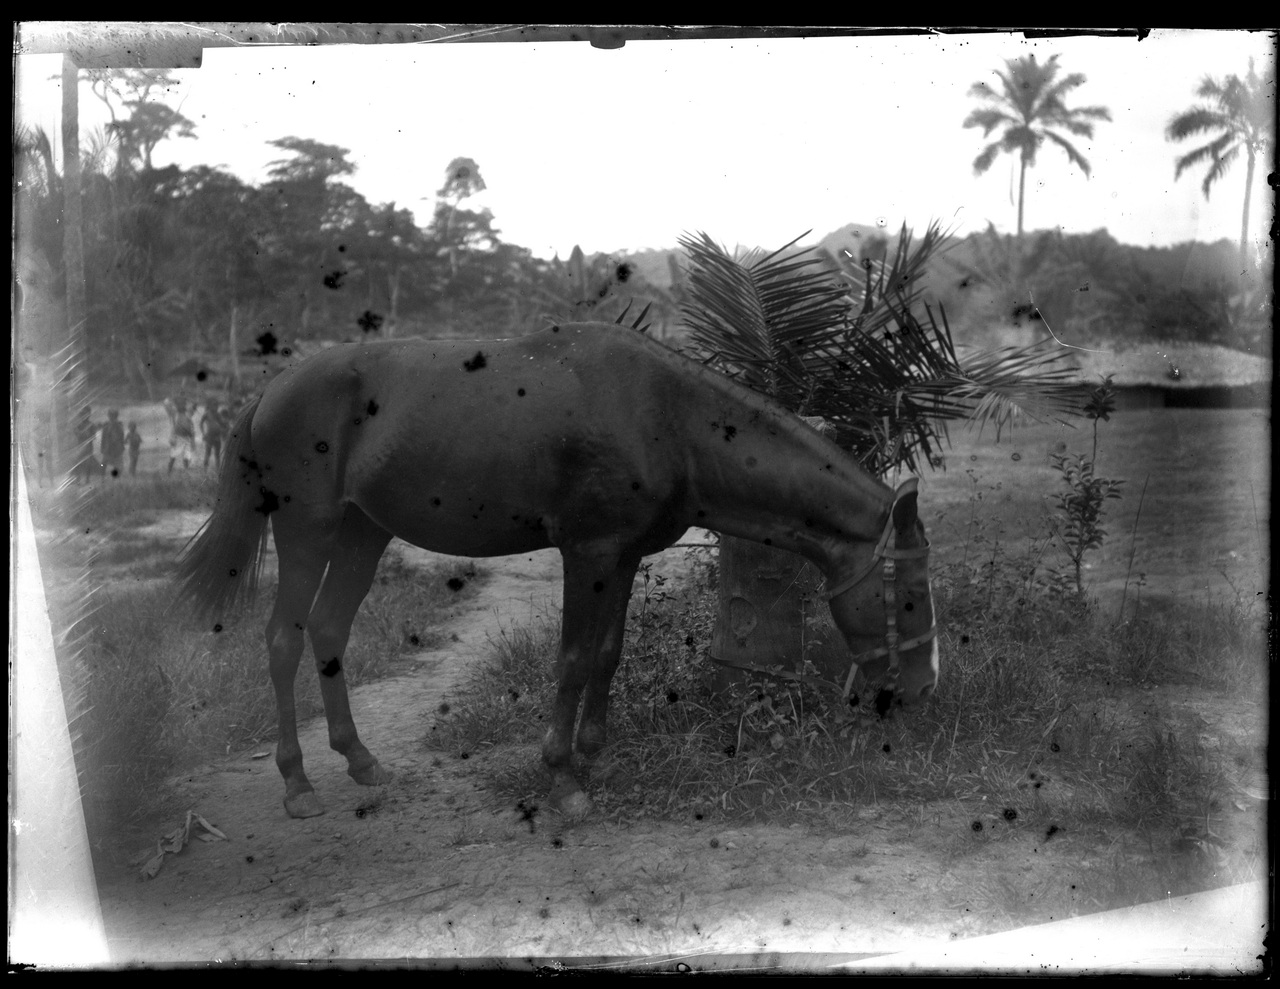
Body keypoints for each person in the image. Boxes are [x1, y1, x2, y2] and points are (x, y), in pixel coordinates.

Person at [168, 398, 196, 473]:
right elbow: (175, 427)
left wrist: (192, 438)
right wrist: (172, 436)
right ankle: (169, 470)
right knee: (173, 455)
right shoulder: (177, 415)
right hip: (179, 437)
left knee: (186, 455)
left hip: (186, 438)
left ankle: (186, 470)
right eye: (180, 405)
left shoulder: (187, 415)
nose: (182, 406)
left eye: (183, 404)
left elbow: (190, 426)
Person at [73, 405, 99, 485]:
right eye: (82, 414)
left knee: (87, 463)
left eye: (86, 414)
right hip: (80, 446)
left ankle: (87, 480)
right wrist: (81, 434)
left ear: (89, 414)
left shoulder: (91, 425)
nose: (84, 416)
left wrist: (85, 435)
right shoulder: (79, 425)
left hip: (88, 447)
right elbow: (76, 433)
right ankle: (78, 479)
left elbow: (93, 436)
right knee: (78, 463)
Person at [99, 409, 126, 479]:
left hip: (116, 448)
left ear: (116, 416)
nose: (112, 417)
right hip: (108, 448)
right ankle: (102, 477)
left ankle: (115, 477)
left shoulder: (119, 426)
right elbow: (103, 438)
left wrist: (121, 447)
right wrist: (102, 447)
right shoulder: (106, 426)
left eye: (113, 416)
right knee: (103, 464)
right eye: (110, 415)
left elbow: (121, 437)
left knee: (117, 465)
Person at [201, 403, 228, 471]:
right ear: (210, 406)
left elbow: (222, 423)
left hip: (217, 436)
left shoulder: (218, 414)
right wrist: (203, 433)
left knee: (217, 454)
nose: (215, 407)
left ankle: (218, 469)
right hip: (209, 436)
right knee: (208, 452)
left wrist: (225, 425)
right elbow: (201, 423)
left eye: (216, 406)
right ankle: (205, 468)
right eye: (214, 406)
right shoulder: (206, 414)